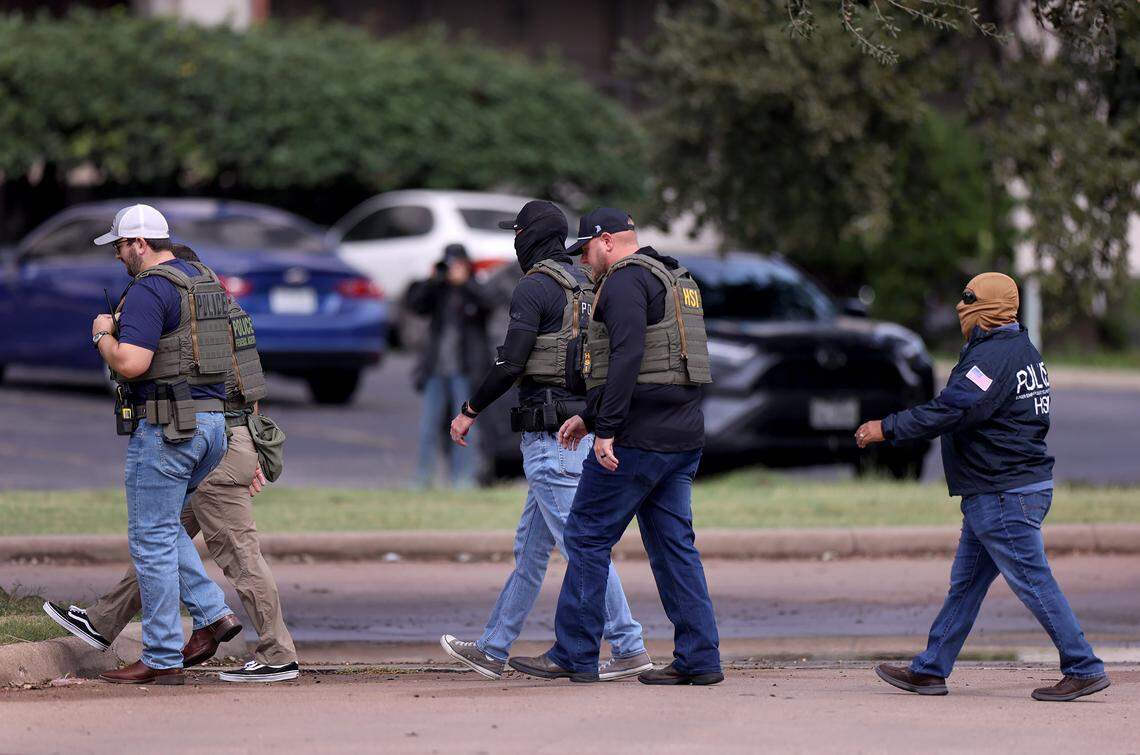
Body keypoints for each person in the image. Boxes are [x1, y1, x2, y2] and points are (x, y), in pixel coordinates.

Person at [44, 243, 300, 684]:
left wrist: (244, 449)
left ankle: (276, 651)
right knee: (161, 535)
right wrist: (248, 445)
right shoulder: (224, 309)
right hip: (229, 438)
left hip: (215, 441)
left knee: (233, 551)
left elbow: (238, 387)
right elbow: (253, 386)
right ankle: (105, 622)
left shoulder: (198, 316)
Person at [857, 272, 1110, 703]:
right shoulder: (1022, 350)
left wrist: (888, 428)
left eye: (968, 303)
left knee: (1034, 581)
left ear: (986, 311)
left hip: (1003, 492)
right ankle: (930, 669)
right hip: (1005, 488)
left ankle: (1083, 666)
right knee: (967, 585)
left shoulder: (990, 361)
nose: (960, 311)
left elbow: (949, 411)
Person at [509, 208, 722, 685]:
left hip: (639, 439)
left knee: (585, 535)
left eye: (585, 249)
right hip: (683, 435)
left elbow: (626, 357)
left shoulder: (625, 281)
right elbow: (657, 365)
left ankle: (574, 653)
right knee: (674, 549)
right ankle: (700, 658)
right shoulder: (675, 276)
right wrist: (589, 416)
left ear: (605, 241)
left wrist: (606, 427)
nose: (583, 261)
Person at [441, 201, 651, 681]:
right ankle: (493, 648)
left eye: (516, 231)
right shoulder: (586, 284)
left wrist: (470, 410)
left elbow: (511, 361)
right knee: (531, 553)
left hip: (550, 441)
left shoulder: (534, 287)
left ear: (529, 236)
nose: (513, 240)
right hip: (573, 433)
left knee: (582, 547)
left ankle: (629, 645)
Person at [74, 205, 238, 685]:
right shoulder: (203, 279)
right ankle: (213, 614)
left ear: (140, 244)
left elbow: (131, 363)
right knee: (166, 531)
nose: (120, 256)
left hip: (167, 430)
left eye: (121, 246)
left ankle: (163, 656)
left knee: (150, 541)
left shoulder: (150, 287)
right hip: (212, 427)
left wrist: (103, 334)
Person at [406, 244, 493, 488]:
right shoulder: (438, 290)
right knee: (428, 427)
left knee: (466, 428)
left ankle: (463, 479)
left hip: (465, 371)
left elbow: (488, 304)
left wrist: (464, 283)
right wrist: (434, 280)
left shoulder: (474, 288)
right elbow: (416, 305)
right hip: (436, 370)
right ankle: (423, 479)